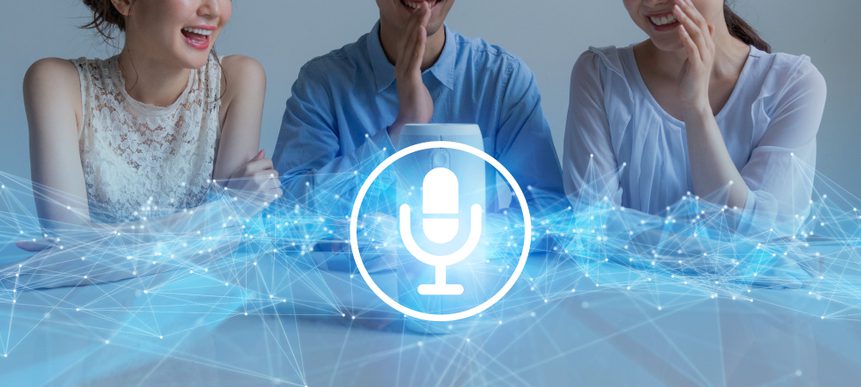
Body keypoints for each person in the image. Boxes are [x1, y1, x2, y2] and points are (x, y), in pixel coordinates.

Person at [272, 0, 564, 219]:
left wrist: (467, 234)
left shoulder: (502, 80)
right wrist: (400, 131)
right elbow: (285, 214)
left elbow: (549, 210)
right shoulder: (322, 84)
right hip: (348, 295)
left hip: (475, 290)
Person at [563, 0, 827, 235]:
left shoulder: (792, 84)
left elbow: (755, 236)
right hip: (627, 290)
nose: (652, 3)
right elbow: (594, 228)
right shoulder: (600, 75)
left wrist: (696, 107)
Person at [23, 0, 281, 236]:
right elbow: (69, 247)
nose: (214, 9)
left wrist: (93, 246)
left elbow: (225, 242)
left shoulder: (237, 79)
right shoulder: (57, 84)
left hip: (204, 288)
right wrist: (226, 211)